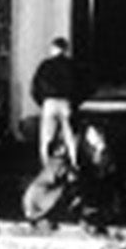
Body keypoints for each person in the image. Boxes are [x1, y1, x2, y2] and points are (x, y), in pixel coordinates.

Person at [31, 37, 79, 171]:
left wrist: (42, 102)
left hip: (49, 103)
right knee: (70, 137)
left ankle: (46, 168)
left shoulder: (45, 65)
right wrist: (75, 103)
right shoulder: (72, 65)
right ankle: (74, 164)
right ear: (65, 49)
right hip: (66, 102)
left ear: (53, 49)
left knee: (46, 139)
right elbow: (82, 86)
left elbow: (35, 88)